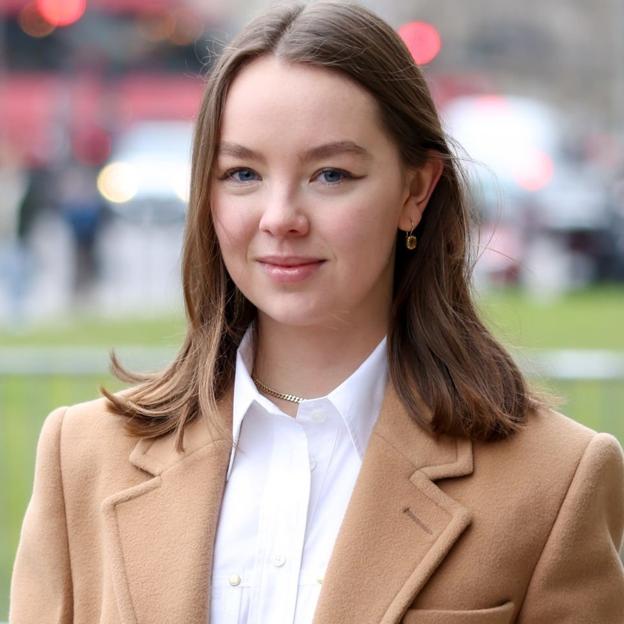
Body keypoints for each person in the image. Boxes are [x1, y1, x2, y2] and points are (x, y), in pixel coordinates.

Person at [10, 2, 624, 622]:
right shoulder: (81, 458)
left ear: (416, 191)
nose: (280, 217)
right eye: (243, 173)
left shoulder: (554, 482)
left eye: (330, 174)